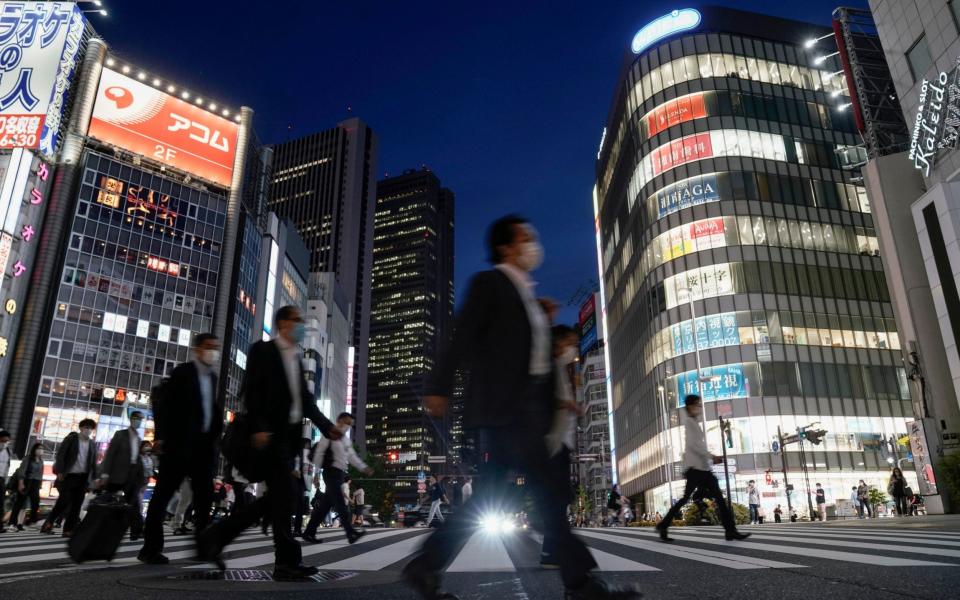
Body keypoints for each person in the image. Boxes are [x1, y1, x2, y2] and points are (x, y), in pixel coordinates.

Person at [410, 215, 636, 600]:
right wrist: (438, 386)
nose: (533, 243)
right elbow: (462, 334)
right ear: (505, 247)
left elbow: (535, 359)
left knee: (502, 498)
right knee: (546, 496)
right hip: (507, 411)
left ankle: (424, 567)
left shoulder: (527, 296)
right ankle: (582, 585)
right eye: (524, 237)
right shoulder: (491, 283)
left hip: (525, 413)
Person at [197, 305, 342, 581]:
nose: (301, 325)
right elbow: (251, 390)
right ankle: (285, 562)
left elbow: (307, 404)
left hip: (286, 440)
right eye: (297, 320)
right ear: (283, 323)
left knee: (281, 498)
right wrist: (260, 428)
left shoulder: (296, 360)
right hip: (268, 437)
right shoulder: (262, 351)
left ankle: (217, 537)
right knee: (286, 495)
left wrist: (327, 427)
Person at [139, 333, 222, 563]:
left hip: (202, 449)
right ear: (197, 349)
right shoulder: (182, 372)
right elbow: (167, 407)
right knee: (162, 496)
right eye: (209, 347)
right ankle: (150, 549)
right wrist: (161, 437)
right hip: (178, 446)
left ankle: (202, 547)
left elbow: (210, 411)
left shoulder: (213, 378)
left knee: (205, 498)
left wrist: (215, 434)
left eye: (216, 347)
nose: (213, 352)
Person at [656, 394, 749, 543]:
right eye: (697, 404)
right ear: (690, 407)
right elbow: (695, 445)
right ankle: (663, 525)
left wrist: (710, 458)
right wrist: (711, 456)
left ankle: (730, 531)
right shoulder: (689, 423)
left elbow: (697, 446)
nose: (699, 407)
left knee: (713, 498)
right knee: (696, 499)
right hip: (696, 470)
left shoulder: (693, 422)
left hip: (702, 469)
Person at [542, 324, 582, 567]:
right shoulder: (549, 365)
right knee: (558, 497)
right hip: (554, 442)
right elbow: (545, 398)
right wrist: (568, 405)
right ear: (558, 342)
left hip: (561, 441)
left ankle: (551, 552)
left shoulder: (557, 365)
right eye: (570, 342)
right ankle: (563, 556)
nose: (573, 348)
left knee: (559, 498)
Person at [302, 412, 372, 544]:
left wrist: (364, 468)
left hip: (340, 474)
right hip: (330, 473)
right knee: (340, 503)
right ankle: (350, 533)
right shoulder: (329, 434)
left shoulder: (345, 440)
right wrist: (316, 474)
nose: (347, 426)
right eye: (345, 422)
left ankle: (308, 532)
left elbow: (352, 457)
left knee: (325, 506)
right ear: (339, 420)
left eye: (350, 424)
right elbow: (319, 453)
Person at [41, 419, 97, 536]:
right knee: (63, 502)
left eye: (91, 428)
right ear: (81, 428)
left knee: (77, 504)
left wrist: (94, 478)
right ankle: (48, 523)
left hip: (83, 478)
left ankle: (68, 530)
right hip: (69, 476)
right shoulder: (71, 439)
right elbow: (61, 455)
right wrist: (60, 472)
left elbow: (93, 462)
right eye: (86, 427)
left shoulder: (92, 443)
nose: (88, 430)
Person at [98, 410, 146, 540]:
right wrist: (105, 474)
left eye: (140, 419)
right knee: (110, 503)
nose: (138, 421)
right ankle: (102, 528)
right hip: (117, 475)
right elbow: (110, 455)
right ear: (131, 419)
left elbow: (137, 459)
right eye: (136, 418)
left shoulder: (138, 438)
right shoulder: (120, 435)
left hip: (131, 477)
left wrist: (141, 479)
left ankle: (136, 531)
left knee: (134, 504)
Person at [8, 443, 44, 531]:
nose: (40, 450)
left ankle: (31, 521)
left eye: (42, 449)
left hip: (36, 483)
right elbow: (21, 471)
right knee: (19, 503)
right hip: (27, 481)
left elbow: (40, 474)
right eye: (38, 448)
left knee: (36, 502)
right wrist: (21, 483)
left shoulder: (41, 461)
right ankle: (12, 523)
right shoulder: (28, 458)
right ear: (34, 449)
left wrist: (39, 485)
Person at [292, 438, 311, 536]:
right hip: (299, 482)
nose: (309, 446)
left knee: (297, 505)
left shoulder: (299, 452)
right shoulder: (306, 453)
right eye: (308, 444)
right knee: (299, 506)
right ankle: (297, 529)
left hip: (298, 481)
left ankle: (296, 529)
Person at [0, 430, 15, 533]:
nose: (6, 442)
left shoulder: (8, 451)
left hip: (1, 479)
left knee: (1, 503)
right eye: (4, 440)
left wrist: (6, 479)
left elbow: (7, 466)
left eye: (7, 440)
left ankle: (0, 526)